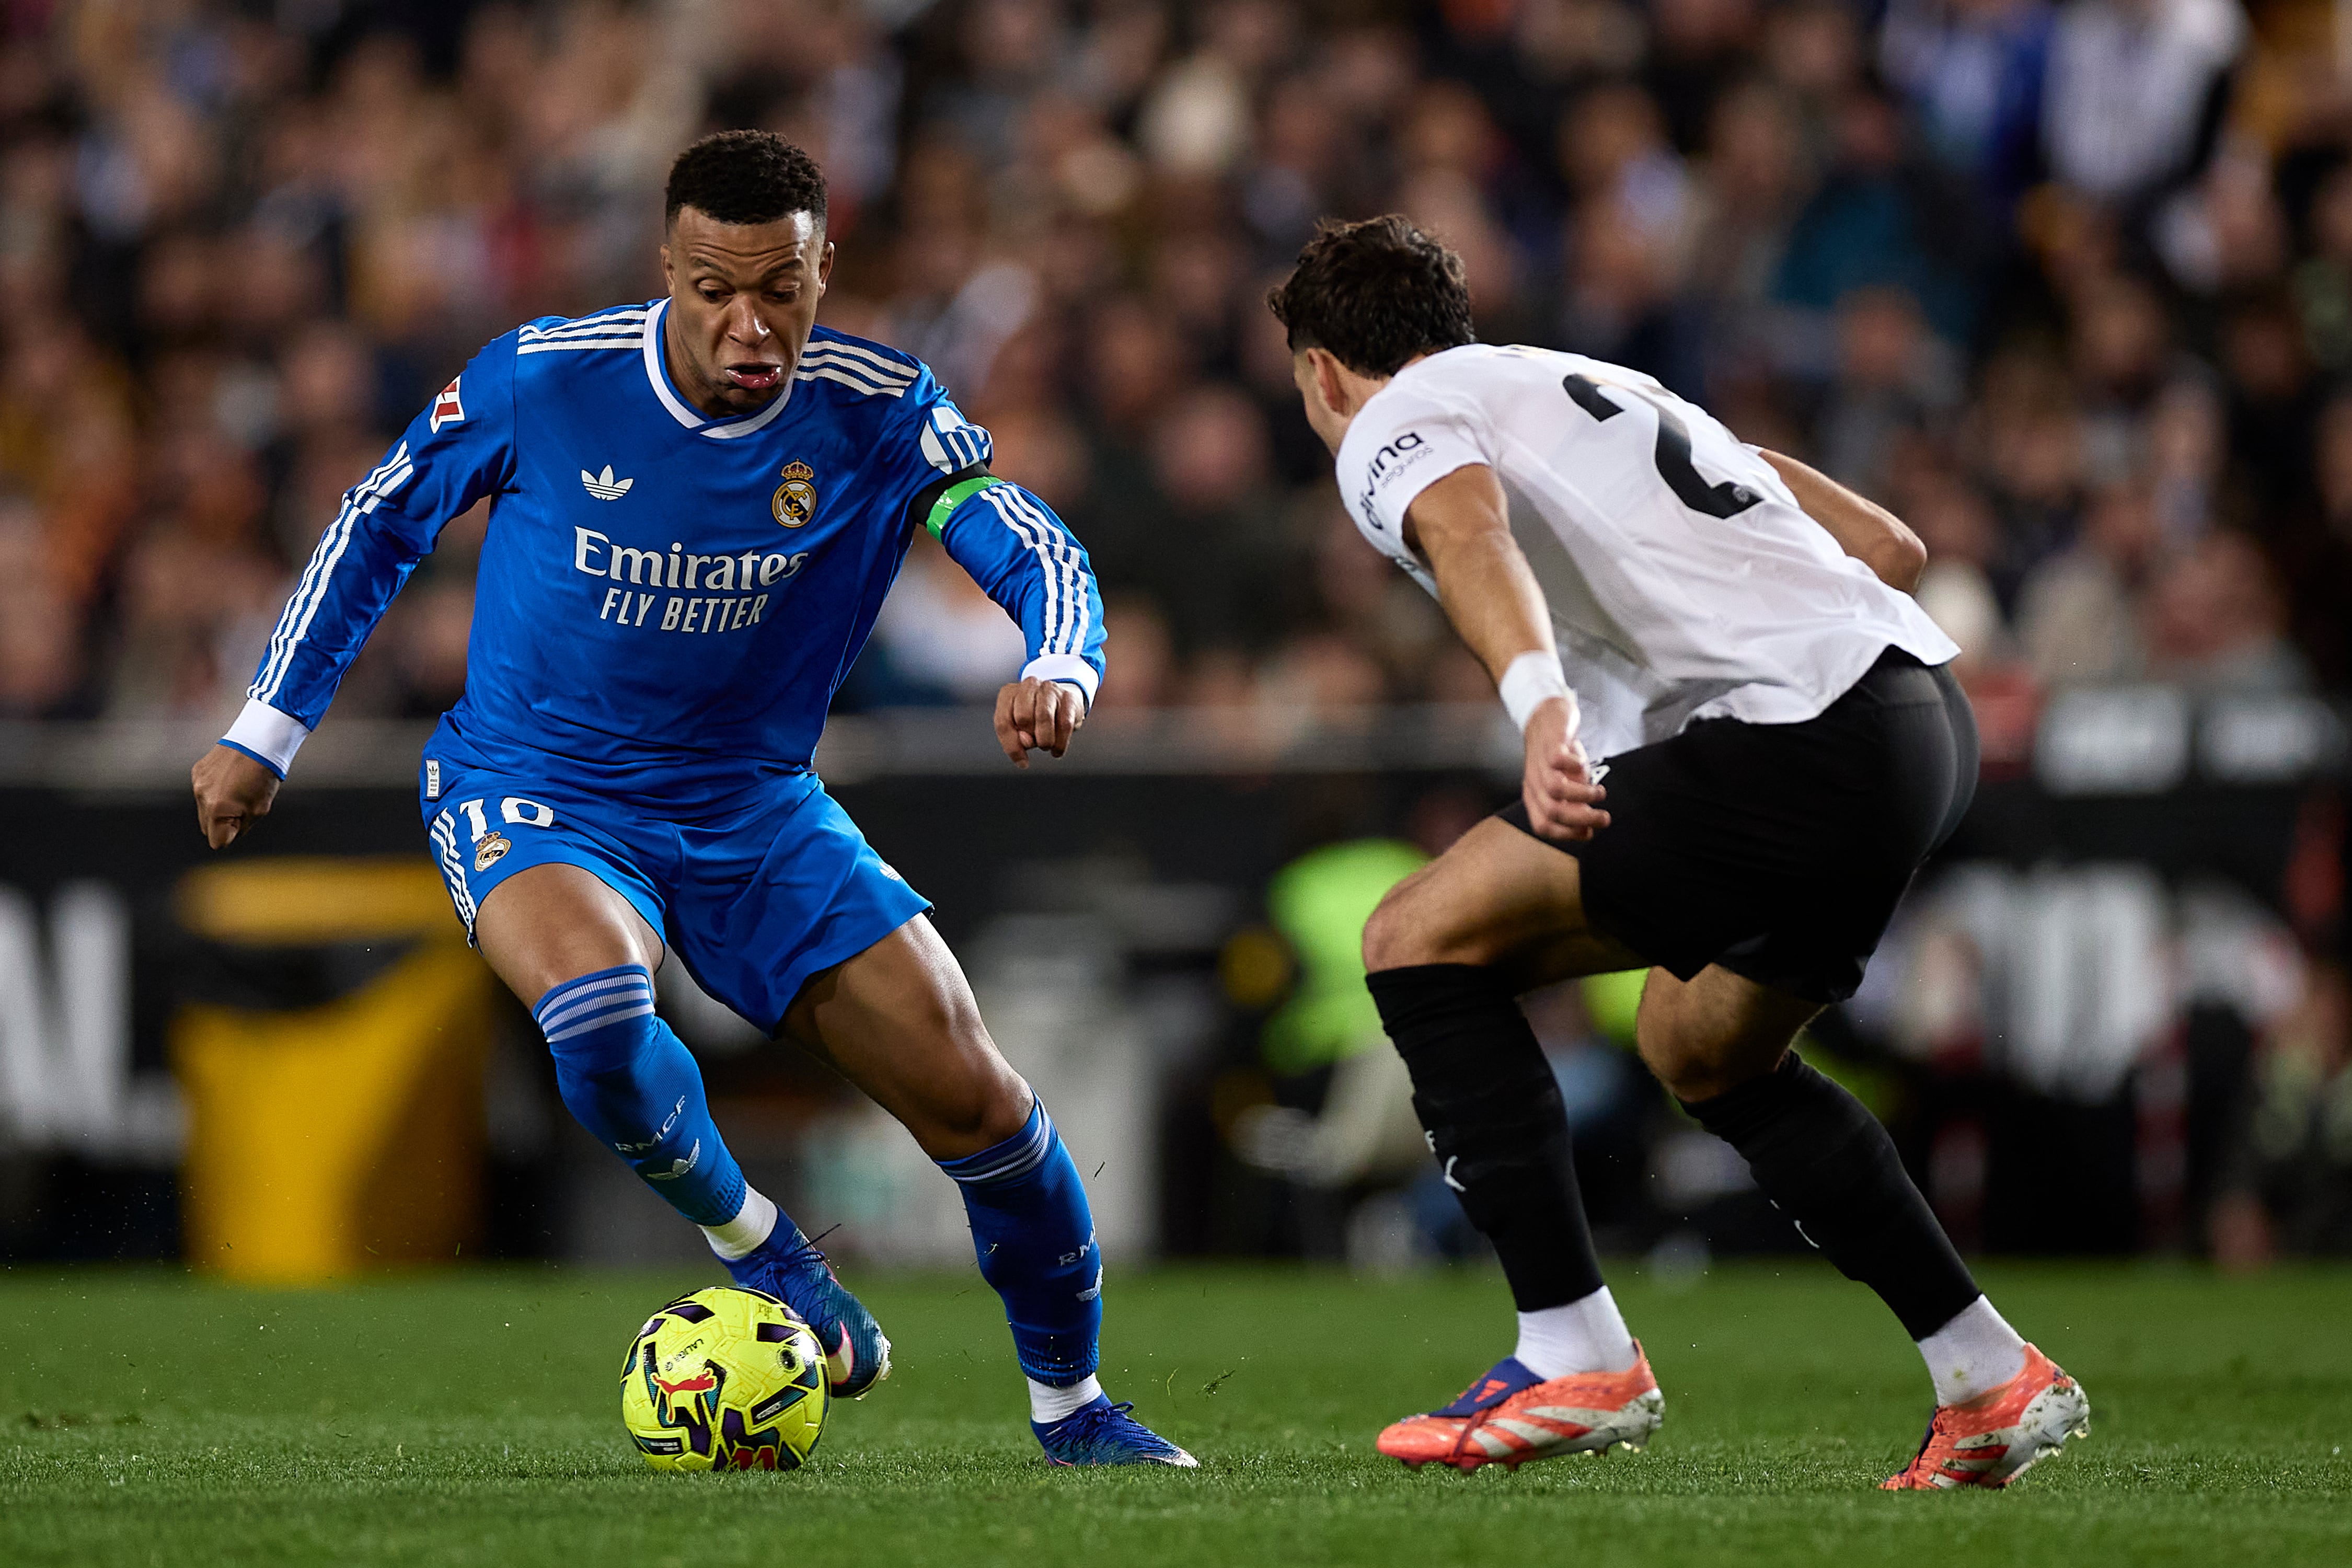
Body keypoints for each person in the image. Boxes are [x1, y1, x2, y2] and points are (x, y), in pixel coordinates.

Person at [188, 131, 1192, 1468]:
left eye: (780, 287)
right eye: (714, 287)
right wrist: (269, 724)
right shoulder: (547, 377)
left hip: (753, 809)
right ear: (666, 266)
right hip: (536, 787)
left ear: (824, 268)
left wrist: (1058, 657)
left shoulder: (880, 408)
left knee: (983, 1106)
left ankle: (1077, 1416)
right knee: (601, 1015)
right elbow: (380, 521)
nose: (749, 323)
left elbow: (1018, 531)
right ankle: (767, 1253)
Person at [1266, 215, 2090, 1490]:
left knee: (1415, 933)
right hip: (1918, 724)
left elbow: (1470, 532)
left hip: (1794, 739)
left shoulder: (1393, 419)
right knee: (1702, 1046)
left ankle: (1570, 1347)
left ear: (1322, 371)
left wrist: (1540, 704)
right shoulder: (1590, 385)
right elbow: (1894, 552)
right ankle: (1989, 1376)